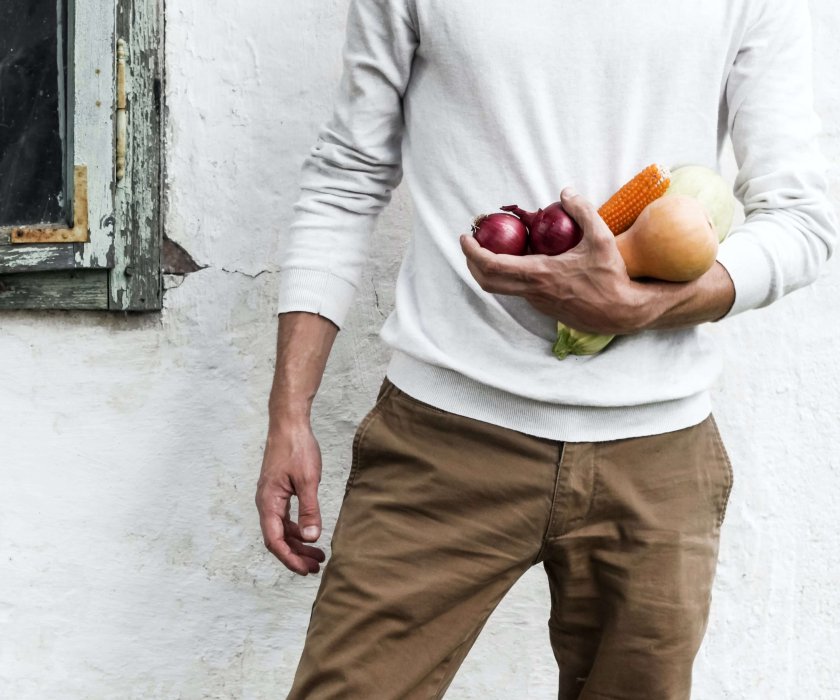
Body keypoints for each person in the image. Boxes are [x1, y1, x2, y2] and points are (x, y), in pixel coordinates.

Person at [255, 0, 838, 697]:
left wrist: (642, 307)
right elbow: (345, 180)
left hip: (656, 461)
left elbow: (800, 219)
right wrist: (289, 413)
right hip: (442, 441)